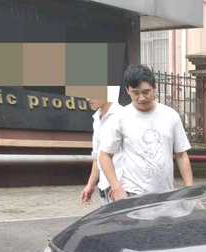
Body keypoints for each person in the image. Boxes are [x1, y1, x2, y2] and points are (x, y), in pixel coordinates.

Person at [99, 65, 194, 200]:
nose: (141, 98)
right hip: (132, 194)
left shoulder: (171, 116)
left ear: (154, 88)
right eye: (136, 93)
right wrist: (116, 187)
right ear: (127, 90)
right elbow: (104, 156)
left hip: (165, 194)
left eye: (146, 92)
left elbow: (181, 155)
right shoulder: (120, 118)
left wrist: (189, 189)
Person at [81, 87, 121, 206]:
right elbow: (97, 157)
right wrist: (90, 185)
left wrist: (117, 187)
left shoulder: (122, 115)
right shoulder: (97, 119)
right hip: (104, 189)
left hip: (121, 189)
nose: (88, 99)